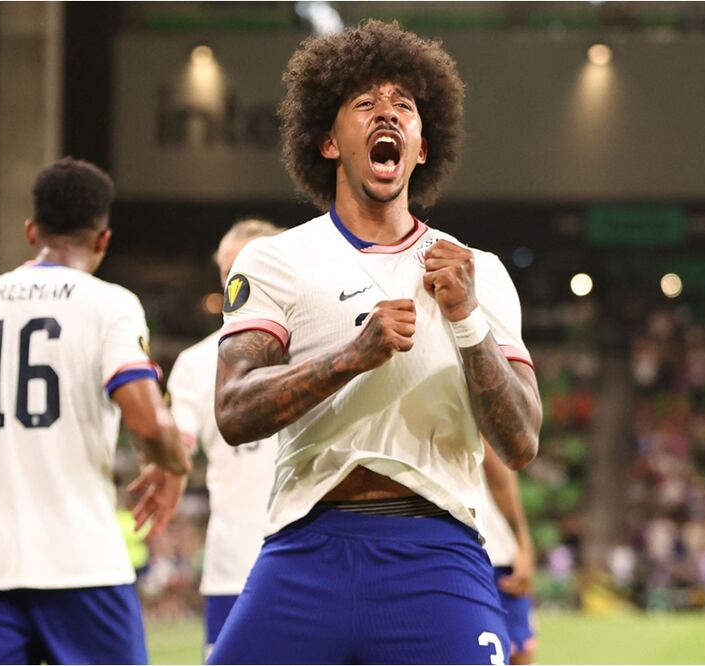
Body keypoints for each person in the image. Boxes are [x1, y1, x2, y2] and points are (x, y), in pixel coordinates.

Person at [209, 20, 542, 664]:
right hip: (306, 546)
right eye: (364, 103)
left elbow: (521, 441)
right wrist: (352, 357)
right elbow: (234, 410)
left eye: (404, 106)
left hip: (436, 551)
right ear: (330, 142)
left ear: (421, 147)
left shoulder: (480, 271)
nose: (386, 112)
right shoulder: (278, 259)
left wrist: (468, 319)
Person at [0, 157, 192, 664]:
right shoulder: (110, 305)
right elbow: (149, 423)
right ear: (103, 239)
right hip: (83, 566)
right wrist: (176, 461)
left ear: (31, 230)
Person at [165, 219, 283, 658]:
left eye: (255, 265)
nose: (241, 280)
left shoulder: (326, 349)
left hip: (318, 561)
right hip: (235, 566)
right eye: (231, 269)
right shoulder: (197, 364)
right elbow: (175, 447)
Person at [481, 442, 538, 665]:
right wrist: (523, 543)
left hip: (450, 546)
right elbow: (496, 466)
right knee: (516, 655)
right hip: (493, 553)